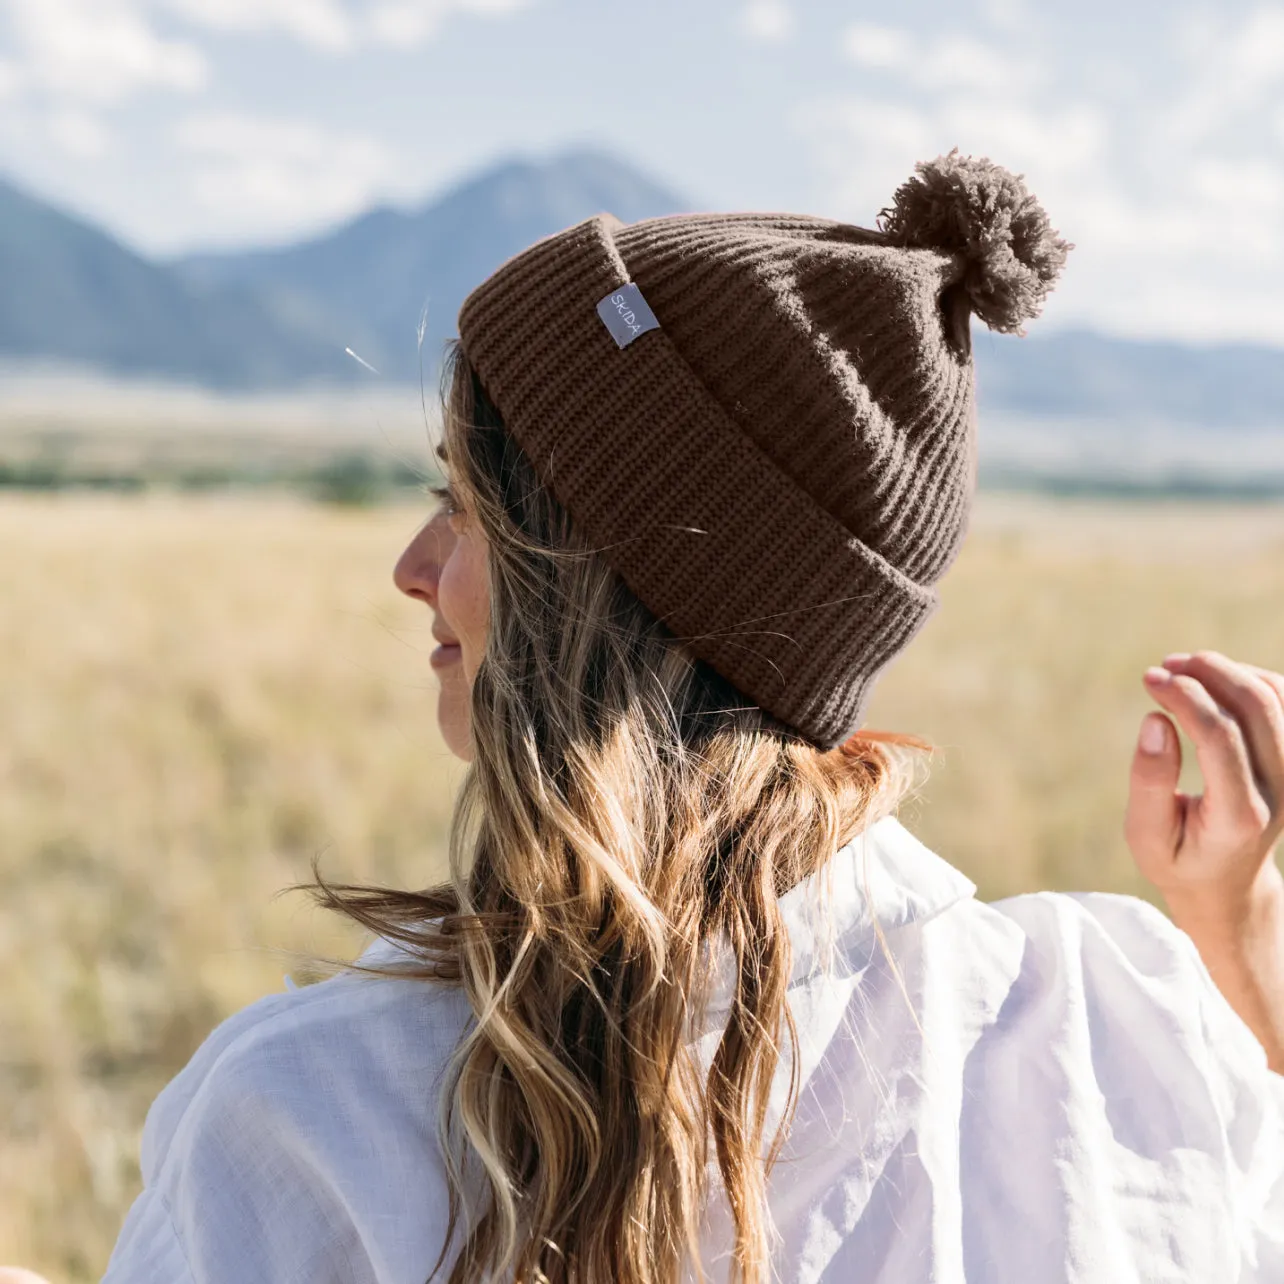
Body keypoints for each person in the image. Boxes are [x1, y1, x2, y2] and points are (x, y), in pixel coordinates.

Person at [79, 151, 1284, 1282]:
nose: (411, 563)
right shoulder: (1114, 1026)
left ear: (592, 583)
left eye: (467, 503)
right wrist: (1233, 927)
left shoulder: (309, 1116)